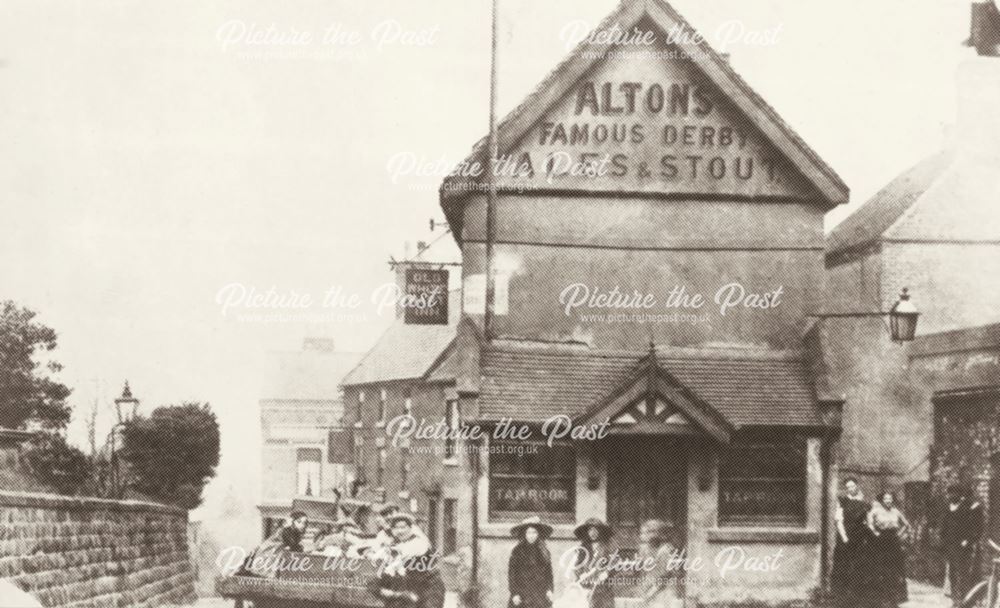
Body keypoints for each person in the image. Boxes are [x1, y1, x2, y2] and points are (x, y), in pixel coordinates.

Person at [370, 512, 446, 608]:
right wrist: (389, 593)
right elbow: (377, 581)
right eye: (396, 528)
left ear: (411, 528)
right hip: (402, 599)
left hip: (425, 594)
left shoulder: (419, 545)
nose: (400, 531)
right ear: (393, 530)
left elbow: (432, 587)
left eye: (403, 527)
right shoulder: (394, 548)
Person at [865, 491, 910, 607]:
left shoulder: (896, 511)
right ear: (882, 500)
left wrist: (899, 535)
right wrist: (876, 533)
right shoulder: (875, 511)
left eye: (890, 499)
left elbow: (906, 524)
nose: (888, 501)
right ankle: (881, 600)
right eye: (886, 499)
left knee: (894, 570)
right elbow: (869, 524)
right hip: (881, 541)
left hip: (894, 542)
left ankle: (894, 600)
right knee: (882, 569)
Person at [942, 484, 984, 606]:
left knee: (963, 572)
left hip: (962, 545)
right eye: (949, 494)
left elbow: (972, 527)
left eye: (954, 494)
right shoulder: (948, 507)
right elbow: (944, 525)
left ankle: (964, 599)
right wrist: (943, 539)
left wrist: (967, 540)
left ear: (960, 495)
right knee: (952, 572)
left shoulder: (967, 508)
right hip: (950, 544)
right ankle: (955, 598)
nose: (951, 496)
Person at [831, 477, 871, 606]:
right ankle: (841, 599)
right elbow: (838, 521)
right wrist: (845, 538)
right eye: (848, 487)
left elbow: (867, 521)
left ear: (857, 486)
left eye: (852, 486)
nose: (850, 489)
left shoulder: (863, 503)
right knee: (844, 565)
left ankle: (856, 598)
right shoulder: (842, 501)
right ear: (845, 488)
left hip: (859, 538)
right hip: (846, 537)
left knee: (858, 566)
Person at [240, 510, 309, 578]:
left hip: (276, 553)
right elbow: (293, 545)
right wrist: (301, 548)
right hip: (268, 553)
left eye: (305, 523)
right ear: (293, 522)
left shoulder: (295, 533)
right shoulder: (287, 530)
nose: (302, 525)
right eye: (299, 522)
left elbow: (294, 547)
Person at [508, 516, 555, 608]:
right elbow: (512, 574)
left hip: (540, 595)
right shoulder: (517, 551)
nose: (531, 536)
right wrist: (514, 593)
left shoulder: (544, 552)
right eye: (528, 532)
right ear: (524, 534)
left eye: (534, 532)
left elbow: (549, 574)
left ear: (539, 534)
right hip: (522, 595)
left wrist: (549, 590)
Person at [570, 518, 616, 608]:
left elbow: (615, 562)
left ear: (600, 531)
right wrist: (581, 575)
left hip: (603, 588)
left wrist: (607, 573)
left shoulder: (608, 545)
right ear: (587, 532)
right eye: (590, 530)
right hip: (586, 587)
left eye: (595, 530)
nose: (593, 533)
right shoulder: (583, 547)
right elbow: (576, 565)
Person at [636, 519, 682, 608]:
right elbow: (644, 572)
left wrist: (650, 593)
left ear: (659, 534)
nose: (644, 536)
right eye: (643, 533)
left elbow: (664, 577)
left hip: (662, 592)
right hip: (650, 589)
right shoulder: (645, 549)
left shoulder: (665, 551)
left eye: (649, 532)